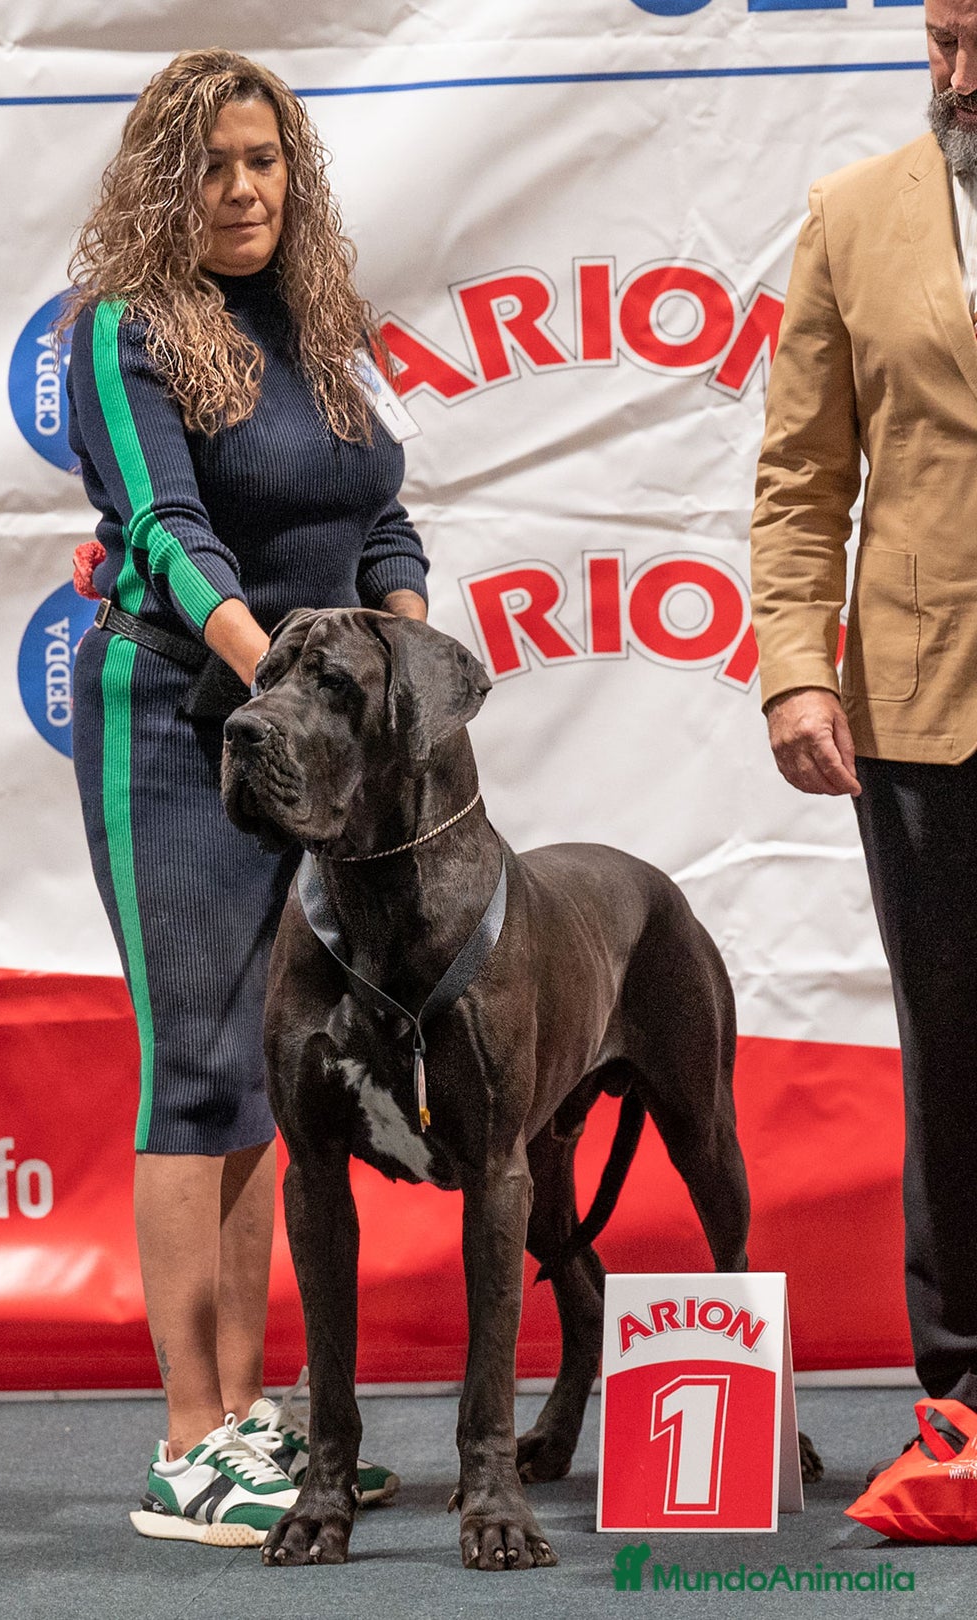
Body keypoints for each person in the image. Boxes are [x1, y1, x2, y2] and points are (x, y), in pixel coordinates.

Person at [63, 49, 428, 1544]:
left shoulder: (319, 323)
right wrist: (283, 675)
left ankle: (244, 1409)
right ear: (168, 178)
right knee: (193, 1070)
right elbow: (164, 531)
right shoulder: (124, 329)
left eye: (262, 160)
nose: (239, 189)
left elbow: (381, 517)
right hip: (174, 725)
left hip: (306, 746)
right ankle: (184, 1442)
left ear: (293, 172)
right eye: (209, 164)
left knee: (267, 1080)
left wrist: (402, 662)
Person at [751, 0, 977, 1471]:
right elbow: (800, 478)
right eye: (940, 44)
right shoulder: (849, 214)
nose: (958, 78)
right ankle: (963, 1394)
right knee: (954, 1055)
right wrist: (794, 669)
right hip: (922, 703)